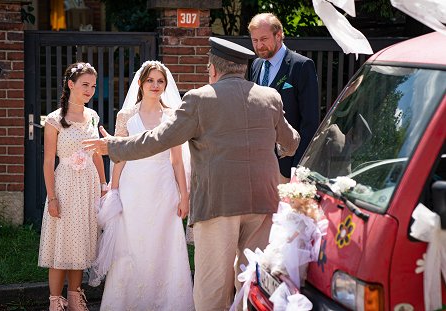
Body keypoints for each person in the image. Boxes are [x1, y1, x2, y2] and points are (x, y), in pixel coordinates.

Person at [83, 37, 301, 311]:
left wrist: (113, 145)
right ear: (244, 68)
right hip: (262, 202)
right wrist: (272, 149)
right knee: (254, 280)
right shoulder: (270, 97)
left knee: (213, 287)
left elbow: (158, 139)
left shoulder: (198, 99)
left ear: (213, 69)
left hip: (218, 204)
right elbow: (291, 141)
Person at [98, 60, 195, 310]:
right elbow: (118, 155)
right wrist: (113, 188)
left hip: (163, 187)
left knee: (164, 243)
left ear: (166, 84)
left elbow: (176, 161)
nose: (155, 85)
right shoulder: (126, 116)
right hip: (133, 187)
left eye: (160, 81)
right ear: (140, 83)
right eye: (150, 80)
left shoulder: (173, 116)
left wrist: (184, 196)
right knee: (131, 243)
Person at [38, 62, 107, 311]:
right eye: (85, 85)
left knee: (81, 243)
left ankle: (76, 297)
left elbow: (98, 153)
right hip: (65, 185)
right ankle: (56, 302)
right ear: (71, 84)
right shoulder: (55, 120)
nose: (90, 90)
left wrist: (103, 185)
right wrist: (52, 198)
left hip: (88, 184)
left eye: (93, 86)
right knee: (61, 244)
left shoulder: (92, 116)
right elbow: (48, 162)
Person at [248, 13, 319, 183]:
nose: (259, 45)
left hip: (286, 166)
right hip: (257, 163)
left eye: (264, 39)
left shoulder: (301, 66)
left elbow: (310, 122)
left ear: (278, 35)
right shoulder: (256, 65)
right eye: (255, 40)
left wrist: (297, 168)